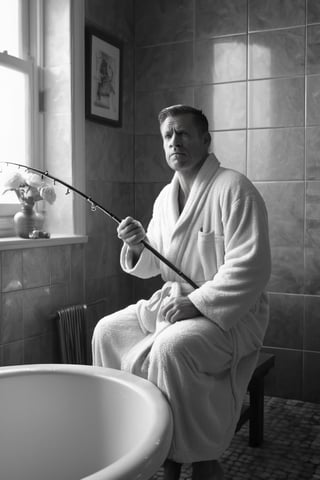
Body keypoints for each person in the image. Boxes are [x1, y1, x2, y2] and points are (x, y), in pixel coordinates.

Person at [92, 105, 271, 480]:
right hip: (176, 303)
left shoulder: (234, 189)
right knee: (106, 331)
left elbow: (250, 267)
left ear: (205, 141)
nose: (175, 142)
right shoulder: (164, 198)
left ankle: (190, 456)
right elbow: (158, 263)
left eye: (183, 134)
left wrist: (197, 302)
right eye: (168, 136)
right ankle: (131, 432)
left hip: (230, 313)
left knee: (173, 347)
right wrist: (138, 244)